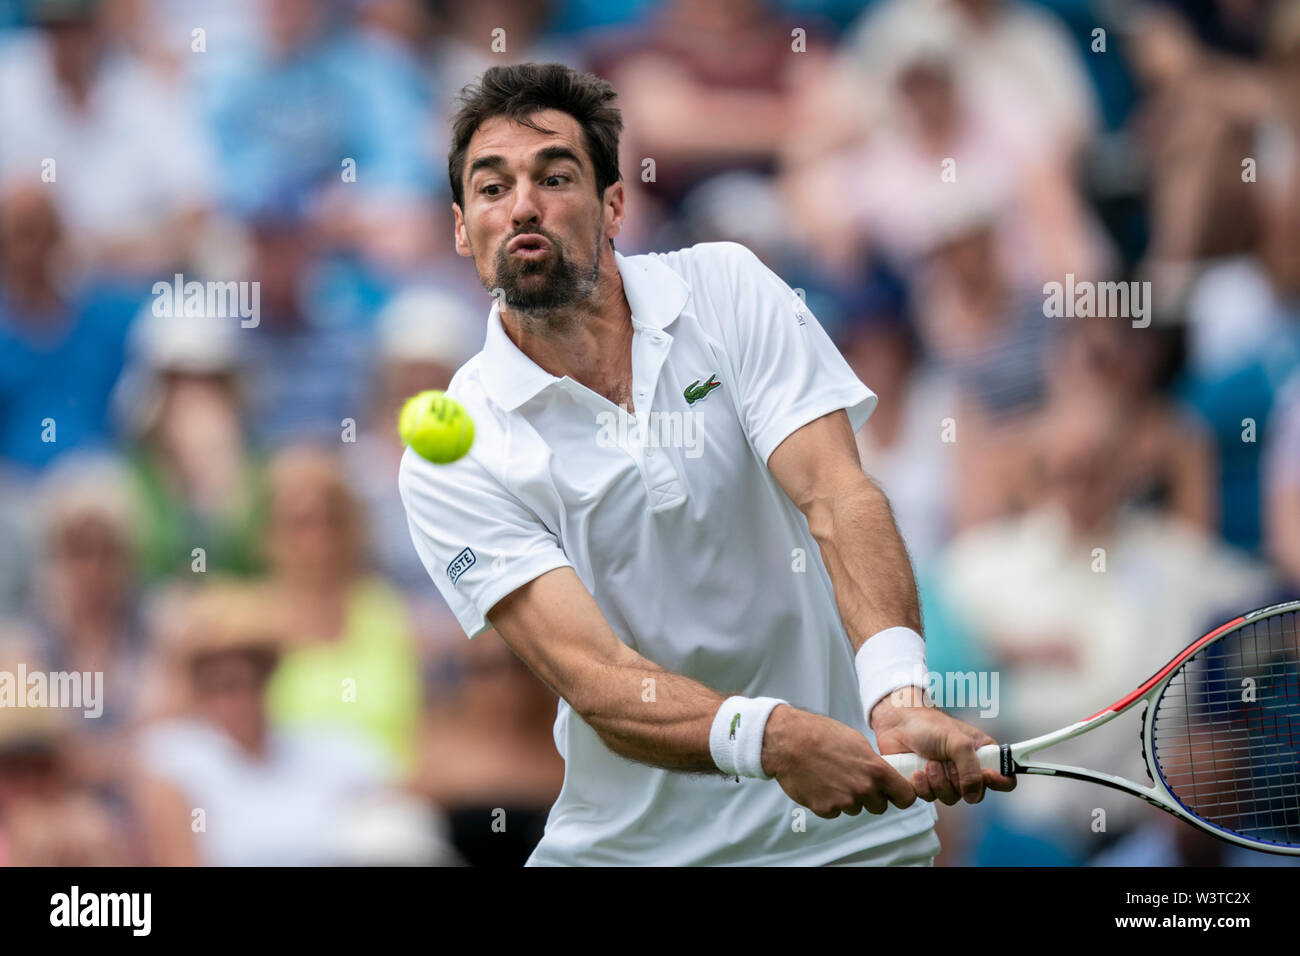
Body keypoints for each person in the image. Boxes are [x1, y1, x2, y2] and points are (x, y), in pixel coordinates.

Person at [398, 62, 1014, 867]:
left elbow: (836, 495)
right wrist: (775, 738)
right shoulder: (456, 455)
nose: (522, 205)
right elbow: (597, 677)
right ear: (459, 228)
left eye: (554, 176)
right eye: (491, 187)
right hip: (625, 853)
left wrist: (897, 695)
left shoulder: (727, 288)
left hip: (850, 845)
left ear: (614, 203)